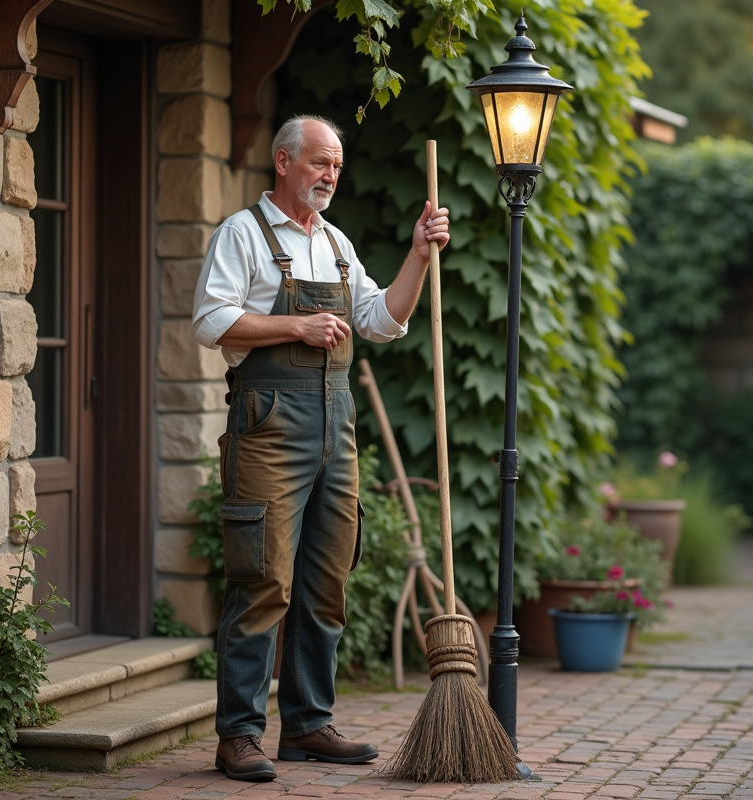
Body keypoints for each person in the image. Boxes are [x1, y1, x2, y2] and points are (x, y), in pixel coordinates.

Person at [191, 115, 450, 782]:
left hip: (337, 421)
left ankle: (307, 726)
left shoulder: (337, 244)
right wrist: (293, 325)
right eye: (318, 163)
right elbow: (211, 319)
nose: (331, 174)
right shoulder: (242, 234)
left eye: (336, 165)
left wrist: (420, 255)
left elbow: (383, 320)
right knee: (264, 577)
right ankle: (239, 735)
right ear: (283, 161)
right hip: (270, 416)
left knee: (325, 580)